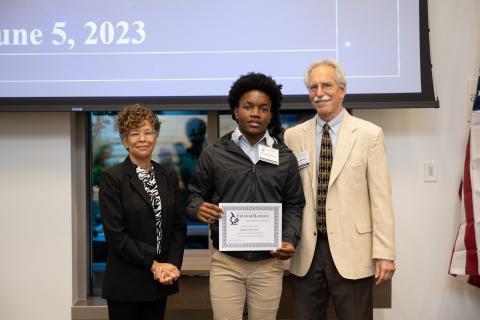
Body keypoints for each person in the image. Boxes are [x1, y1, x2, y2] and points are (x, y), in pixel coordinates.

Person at [283, 59, 396, 320]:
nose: (319, 92)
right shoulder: (293, 136)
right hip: (307, 252)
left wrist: (385, 253)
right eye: (313, 87)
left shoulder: (369, 134)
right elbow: (289, 196)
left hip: (353, 251)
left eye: (326, 85)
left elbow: (381, 199)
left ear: (342, 90)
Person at [187, 72, 305, 320]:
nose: (255, 113)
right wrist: (198, 208)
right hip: (226, 264)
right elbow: (194, 196)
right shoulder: (214, 154)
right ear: (235, 111)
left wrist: (289, 239)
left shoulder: (285, 157)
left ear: (271, 114)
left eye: (263, 108)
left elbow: (294, 205)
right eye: (248, 106)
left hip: (269, 264)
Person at [99, 104, 186, 320]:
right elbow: (116, 235)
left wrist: (172, 266)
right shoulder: (113, 178)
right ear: (124, 140)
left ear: (155, 137)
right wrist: (154, 264)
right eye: (134, 133)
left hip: (159, 281)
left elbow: (177, 225)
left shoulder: (168, 175)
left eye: (148, 132)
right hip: (126, 282)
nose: (142, 138)